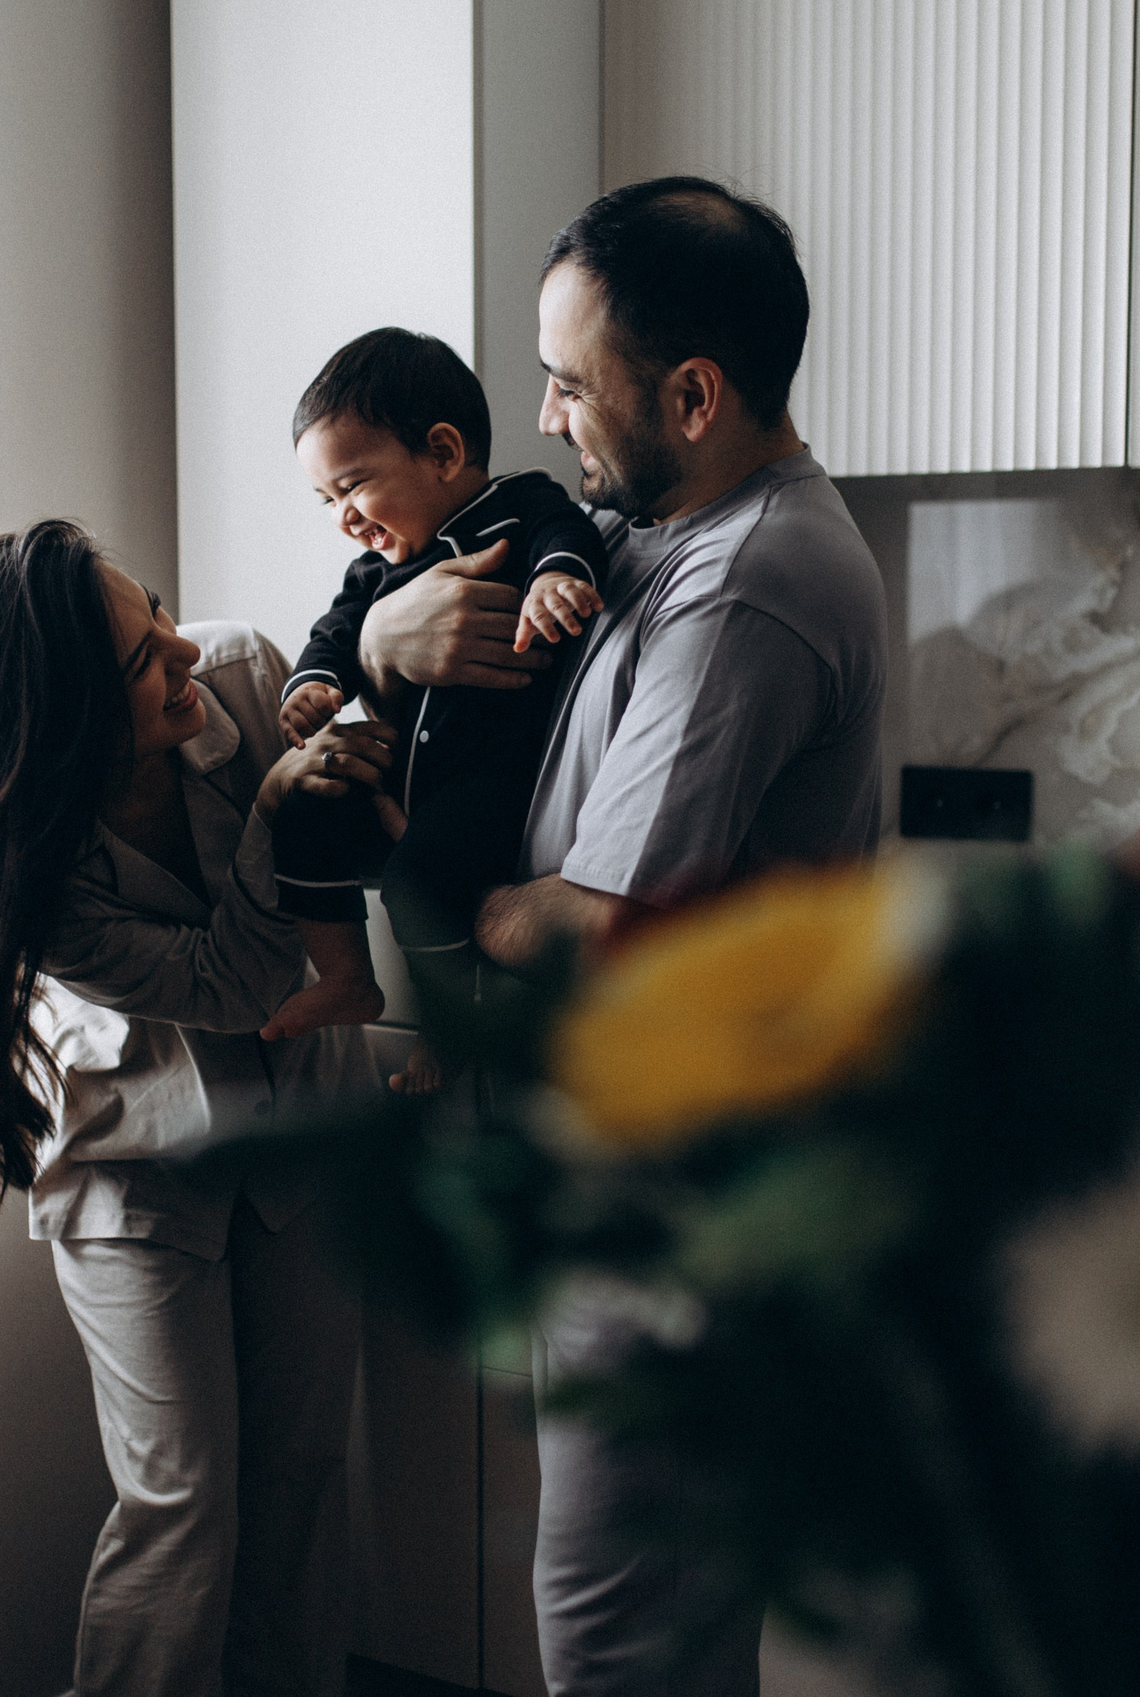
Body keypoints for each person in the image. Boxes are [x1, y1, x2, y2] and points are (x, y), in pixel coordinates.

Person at [354, 178, 889, 1695]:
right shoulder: (653, 531)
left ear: (694, 396)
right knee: (653, 1634)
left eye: (571, 382)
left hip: (679, 1210)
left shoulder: (749, 580)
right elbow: (437, 598)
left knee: (616, 1640)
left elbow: (597, 929)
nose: (544, 414)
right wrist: (383, 636)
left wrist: (481, 902)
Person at [0, 521, 388, 1697]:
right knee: (182, 1503)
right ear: (64, 727)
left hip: (303, 1130)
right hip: (136, 1162)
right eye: (145, 660)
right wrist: (273, 813)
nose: (183, 650)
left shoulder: (244, 673)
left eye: (155, 609)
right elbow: (234, 985)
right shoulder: (37, 877)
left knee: (299, 1483)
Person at [260, 326, 608, 1050]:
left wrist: (555, 577)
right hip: (395, 774)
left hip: (486, 784)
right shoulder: (373, 573)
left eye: (352, 486)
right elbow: (334, 633)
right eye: (325, 499)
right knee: (300, 810)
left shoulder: (521, 506)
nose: (342, 516)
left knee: (419, 884)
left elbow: (568, 536)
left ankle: (449, 1036)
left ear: (444, 453)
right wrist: (314, 683)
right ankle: (346, 976)